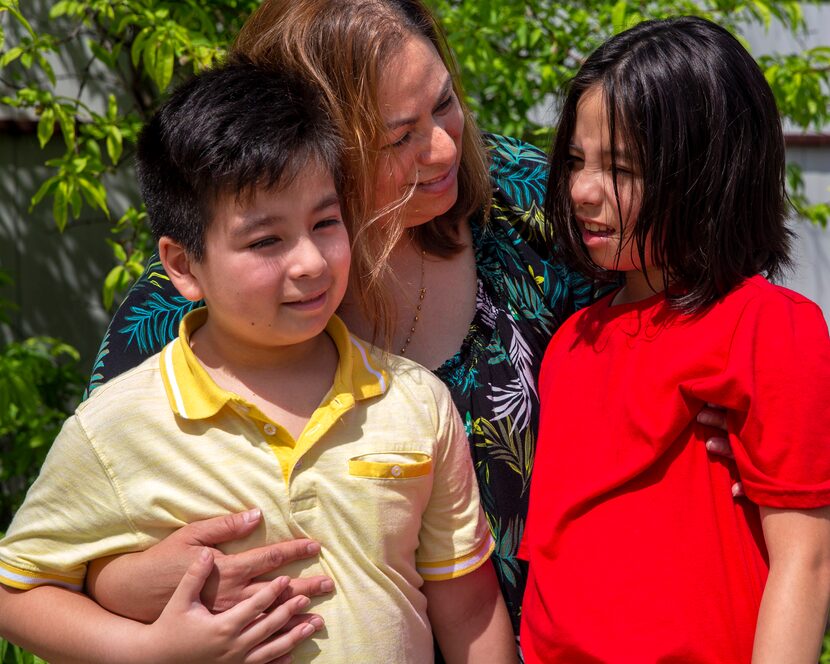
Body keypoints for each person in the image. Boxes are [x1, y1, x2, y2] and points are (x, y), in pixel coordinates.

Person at [0, 61, 516, 664]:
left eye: (325, 223)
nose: (310, 263)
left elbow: (470, 607)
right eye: (266, 240)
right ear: (185, 266)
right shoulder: (116, 426)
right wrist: (146, 648)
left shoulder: (415, 401)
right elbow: (17, 588)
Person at [519, 16, 830, 663]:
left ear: (710, 172)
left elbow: (806, 563)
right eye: (576, 161)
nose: (581, 190)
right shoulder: (569, 342)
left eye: (621, 168)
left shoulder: (767, 327)